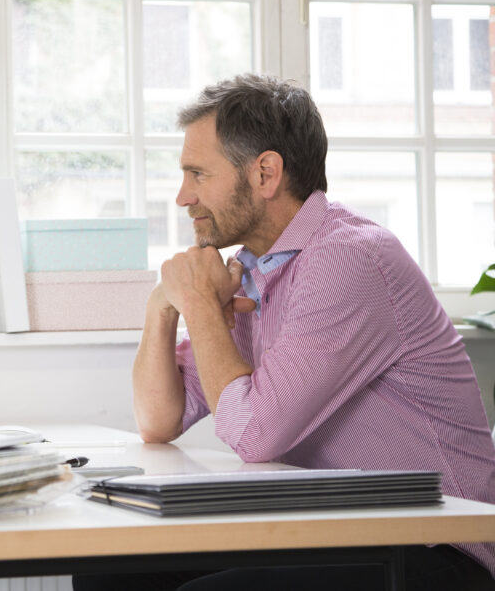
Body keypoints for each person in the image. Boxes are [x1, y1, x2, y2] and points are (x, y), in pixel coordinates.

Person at [83, 74, 495, 591]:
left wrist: (200, 306)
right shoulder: (256, 269)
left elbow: (256, 435)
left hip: (438, 545)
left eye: (197, 174)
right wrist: (163, 307)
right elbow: (159, 420)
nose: (182, 197)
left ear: (265, 173)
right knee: (109, 574)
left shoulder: (347, 257)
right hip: (338, 530)